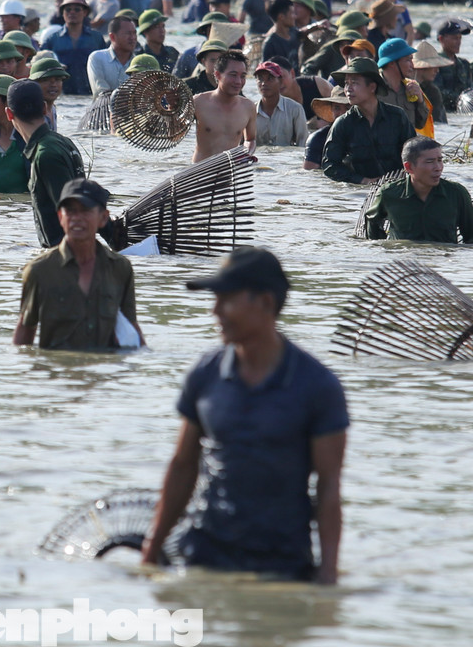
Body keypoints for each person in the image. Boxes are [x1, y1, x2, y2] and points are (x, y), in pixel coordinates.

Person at [141, 246, 347, 581]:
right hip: (204, 553)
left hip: (282, 563)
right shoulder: (205, 374)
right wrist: (150, 552)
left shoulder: (318, 386)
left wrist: (328, 576)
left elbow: (328, 487)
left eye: (226, 299)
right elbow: (182, 466)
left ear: (265, 302)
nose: (215, 310)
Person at [12, 178, 142, 349]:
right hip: (57, 372)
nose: (76, 218)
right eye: (70, 211)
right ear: (60, 217)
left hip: (105, 370)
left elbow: (131, 326)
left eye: (85, 210)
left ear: (103, 218)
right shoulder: (39, 270)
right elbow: (24, 335)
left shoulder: (120, 268)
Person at [6, 79, 85, 246]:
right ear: (44, 108)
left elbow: (72, 217)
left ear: (9, 114)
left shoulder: (45, 154)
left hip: (65, 257)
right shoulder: (65, 142)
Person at [363, 136, 473, 243]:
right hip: (404, 262)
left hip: (444, 263)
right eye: (430, 162)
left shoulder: (456, 193)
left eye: (440, 160)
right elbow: (372, 220)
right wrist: (383, 248)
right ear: (409, 167)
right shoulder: (389, 194)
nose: (438, 168)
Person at [322, 57, 416, 184]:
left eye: (354, 83)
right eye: (346, 83)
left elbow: (415, 154)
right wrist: (362, 181)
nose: (348, 89)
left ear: (372, 87)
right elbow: (330, 165)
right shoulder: (343, 123)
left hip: (396, 186)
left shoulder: (397, 117)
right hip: (359, 192)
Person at [192, 50, 258, 162]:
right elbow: (174, 132)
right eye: (233, 75)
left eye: (242, 76)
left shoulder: (248, 107)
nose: (238, 81)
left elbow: (250, 139)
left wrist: (246, 153)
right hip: (200, 172)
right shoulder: (198, 102)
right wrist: (171, 108)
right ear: (217, 75)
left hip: (228, 171)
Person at [39, 0, 107, 96]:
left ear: (85, 12)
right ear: (62, 13)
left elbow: (105, 66)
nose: (72, 12)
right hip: (63, 96)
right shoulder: (52, 40)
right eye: (68, 9)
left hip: (90, 94)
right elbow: (41, 67)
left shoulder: (96, 38)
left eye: (77, 9)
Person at [253, 60, 307, 147]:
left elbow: (302, 144)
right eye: (260, 78)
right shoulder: (250, 112)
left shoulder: (295, 109)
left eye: (270, 78)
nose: (263, 83)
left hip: (286, 159)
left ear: (280, 82)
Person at [86, 16, 138, 95]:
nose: (133, 37)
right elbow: (101, 93)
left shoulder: (139, 63)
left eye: (134, 33)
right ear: (112, 37)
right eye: (128, 33)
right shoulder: (97, 58)